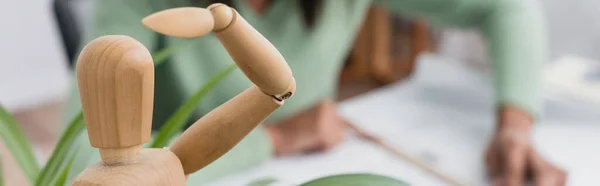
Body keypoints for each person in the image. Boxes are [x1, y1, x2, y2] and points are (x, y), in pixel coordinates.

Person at [63, 0, 566, 185]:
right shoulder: (131, 15)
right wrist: (276, 139)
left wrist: (515, 127)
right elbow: (79, 157)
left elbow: (508, 8)